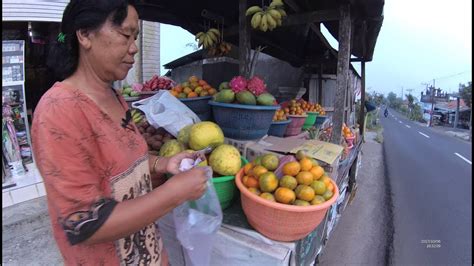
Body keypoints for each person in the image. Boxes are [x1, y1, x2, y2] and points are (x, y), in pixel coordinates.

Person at [31, 1, 208, 265]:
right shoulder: (58, 111)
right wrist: (175, 193)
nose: (134, 47)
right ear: (85, 35)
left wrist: (161, 164)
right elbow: (85, 224)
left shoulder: (113, 95)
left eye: (135, 37)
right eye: (126, 35)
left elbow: (124, 162)